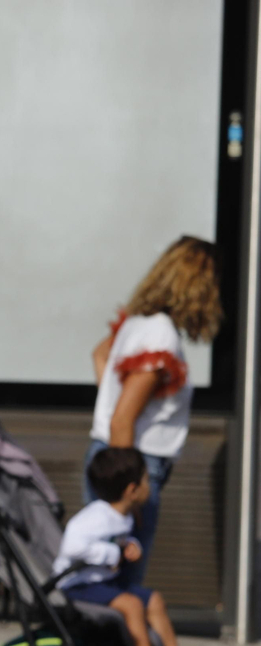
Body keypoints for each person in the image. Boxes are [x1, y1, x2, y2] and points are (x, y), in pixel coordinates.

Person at [84, 236, 223, 584]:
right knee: (121, 584)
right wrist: (129, 489)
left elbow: (100, 355)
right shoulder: (161, 335)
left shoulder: (137, 323)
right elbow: (123, 420)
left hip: (113, 456)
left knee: (102, 578)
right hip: (131, 464)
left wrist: (113, 401)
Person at [54, 446, 206, 646]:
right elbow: (72, 546)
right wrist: (112, 554)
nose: (150, 486)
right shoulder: (95, 517)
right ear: (132, 490)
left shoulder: (124, 514)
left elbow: (121, 540)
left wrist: (132, 546)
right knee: (132, 605)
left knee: (154, 599)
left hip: (105, 582)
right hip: (79, 584)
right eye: (147, 480)